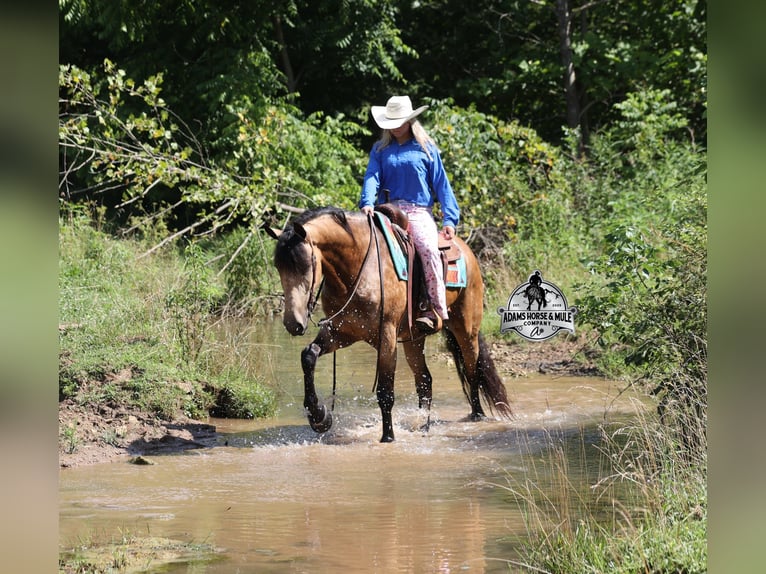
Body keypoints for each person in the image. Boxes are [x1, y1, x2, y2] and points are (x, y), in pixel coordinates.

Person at [360, 95, 460, 333]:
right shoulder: (380, 149)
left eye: (400, 121)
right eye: (391, 122)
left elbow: (442, 185)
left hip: (418, 211)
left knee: (426, 248)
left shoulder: (426, 149)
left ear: (410, 120)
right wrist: (367, 202)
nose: (395, 127)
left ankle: (432, 307)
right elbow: (372, 177)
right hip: (387, 209)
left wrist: (449, 219)